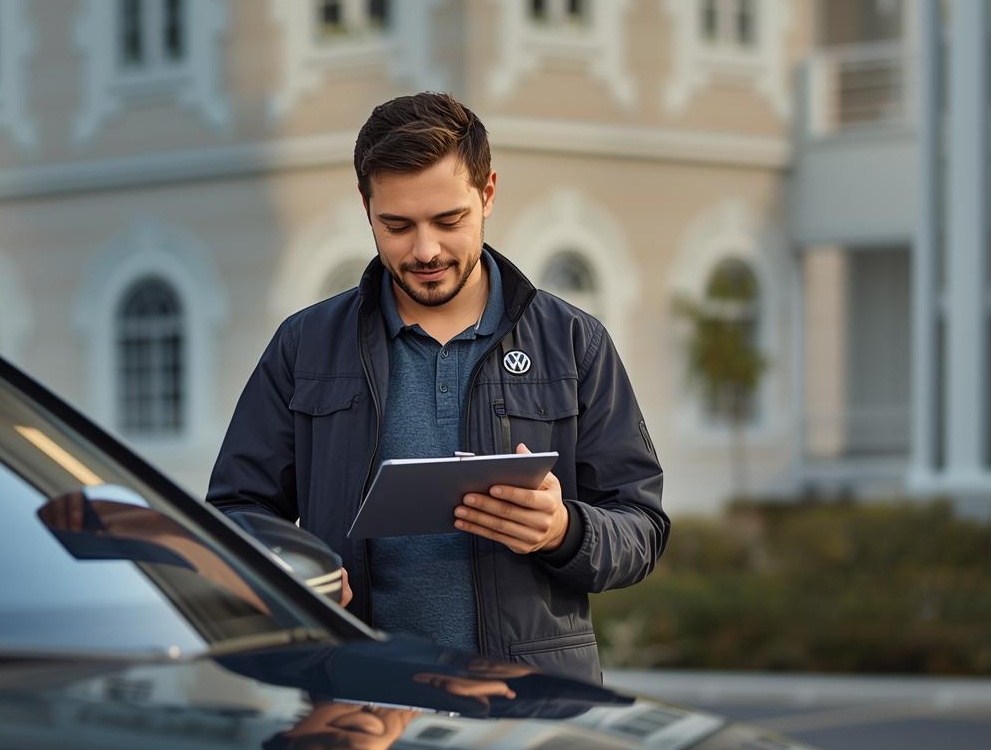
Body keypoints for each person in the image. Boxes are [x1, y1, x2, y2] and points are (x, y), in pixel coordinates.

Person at [209, 92, 669, 684]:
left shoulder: (575, 342)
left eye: (448, 221)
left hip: (531, 709)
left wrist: (563, 530)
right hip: (358, 702)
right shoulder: (305, 347)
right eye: (396, 226)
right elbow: (234, 513)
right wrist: (292, 572)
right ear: (365, 206)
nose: (424, 251)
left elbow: (642, 527)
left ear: (488, 193)